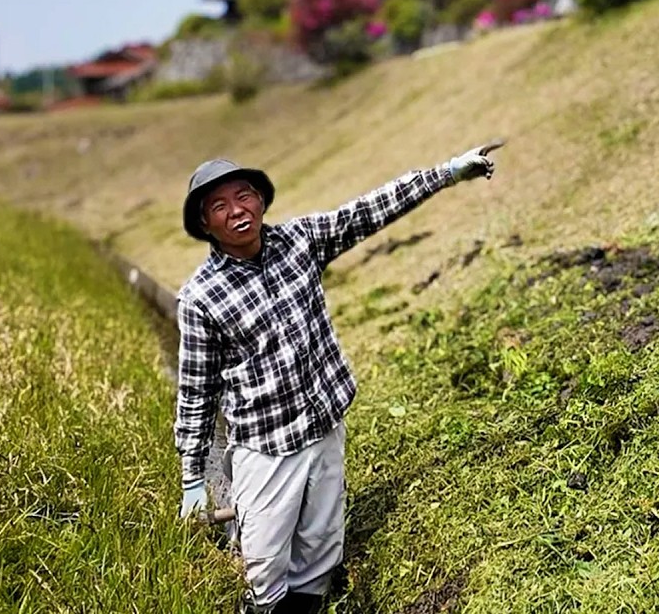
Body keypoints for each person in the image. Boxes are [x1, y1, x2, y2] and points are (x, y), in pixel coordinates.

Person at [173, 143, 504, 614]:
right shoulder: (200, 298)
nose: (236, 212)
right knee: (264, 569)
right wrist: (191, 477)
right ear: (206, 225)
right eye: (219, 207)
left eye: (243, 196)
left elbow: (369, 210)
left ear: (261, 200)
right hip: (265, 449)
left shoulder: (302, 240)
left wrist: (447, 174)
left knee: (319, 555)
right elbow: (196, 393)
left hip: (323, 426)